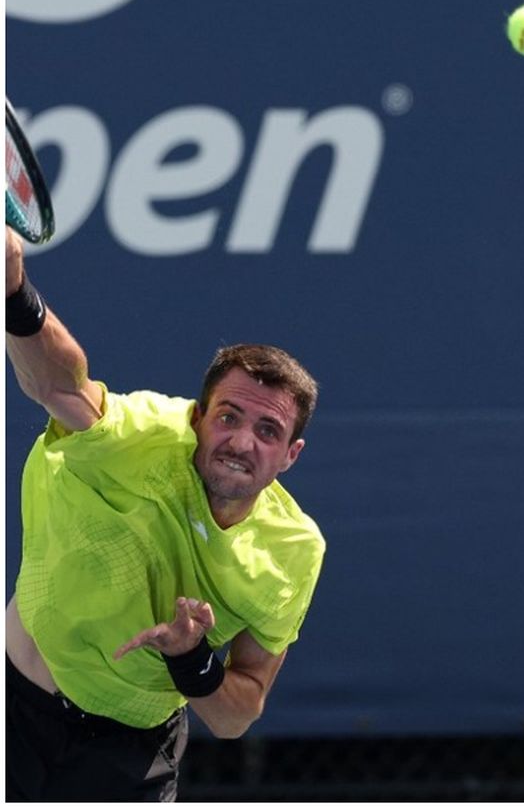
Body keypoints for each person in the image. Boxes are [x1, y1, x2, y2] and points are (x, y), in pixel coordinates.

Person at [5, 227, 326, 801]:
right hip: (14, 707)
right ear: (198, 417)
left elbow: (236, 715)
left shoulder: (294, 552)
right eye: (228, 416)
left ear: (290, 456)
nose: (242, 442)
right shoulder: (141, 436)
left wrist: (192, 660)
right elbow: (59, 385)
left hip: (129, 751)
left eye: (268, 430)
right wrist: (14, 292)